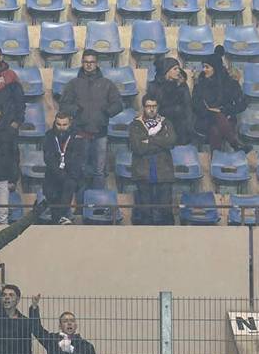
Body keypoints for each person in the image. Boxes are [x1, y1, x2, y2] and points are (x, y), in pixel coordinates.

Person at [58, 49, 123, 190]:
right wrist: (76, 111)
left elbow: (118, 104)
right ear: (82, 63)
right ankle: (81, 205)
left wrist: (106, 112)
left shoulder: (107, 84)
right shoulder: (73, 84)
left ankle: (97, 206)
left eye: (92, 62)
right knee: (80, 170)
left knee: (99, 172)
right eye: (86, 62)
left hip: (101, 134)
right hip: (80, 134)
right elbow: (63, 105)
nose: (88, 65)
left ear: (97, 63)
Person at [129, 94, 177, 225]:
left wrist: (149, 139)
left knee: (166, 211)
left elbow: (171, 142)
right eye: (148, 106)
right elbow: (138, 147)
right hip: (142, 171)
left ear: (158, 107)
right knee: (146, 212)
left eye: (154, 106)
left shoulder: (166, 123)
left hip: (164, 170)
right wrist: (161, 143)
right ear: (143, 107)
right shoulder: (135, 124)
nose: (151, 109)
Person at [192, 45, 249, 153]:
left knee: (216, 130)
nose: (204, 70)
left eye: (207, 67)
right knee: (216, 119)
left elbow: (242, 103)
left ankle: (215, 163)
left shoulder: (230, 83)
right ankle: (235, 143)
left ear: (215, 68)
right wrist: (210, 112)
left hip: (226, 120)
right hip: (204, 120)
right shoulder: (200, 84)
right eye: (203, 67)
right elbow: (195, 104)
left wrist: (225, 110)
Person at [42, 112, 87, 225]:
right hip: (53, 175)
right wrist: (59, 174)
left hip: (70, 175)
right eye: (59, 124)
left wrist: (68, 176)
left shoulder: (77, 137)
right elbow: (49, 158)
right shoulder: (49, 136)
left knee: (69, 184)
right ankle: (59, 219)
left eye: (64, 124)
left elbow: (77, 159)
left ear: (70, 124)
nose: (61, 127)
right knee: (52, 194)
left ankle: (62, 217)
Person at [146, 56, 194, 146]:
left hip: (180, 125)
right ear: (167, 71)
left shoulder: (182, 86)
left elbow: (188, 107)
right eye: (175, 69)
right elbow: (152, 109)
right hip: (161, 124)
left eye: (179, 69)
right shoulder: (154, 86)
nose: (178, 71)